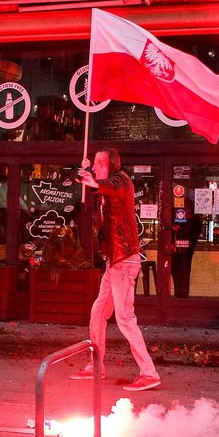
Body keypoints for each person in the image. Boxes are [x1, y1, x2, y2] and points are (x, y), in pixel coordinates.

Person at [70, 147, 161, 392]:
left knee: (124, 319)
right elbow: (95, 183)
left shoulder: (121, 181)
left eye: (100, 163)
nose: (96, 167)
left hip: (124, 260)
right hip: (114, 262)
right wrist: (84, 174)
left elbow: (111, 185)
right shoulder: (104, 186)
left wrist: (93, 181)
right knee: (98, 313)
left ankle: (149, 373)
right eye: (95, 163)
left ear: (111, 165)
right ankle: (96, 366)